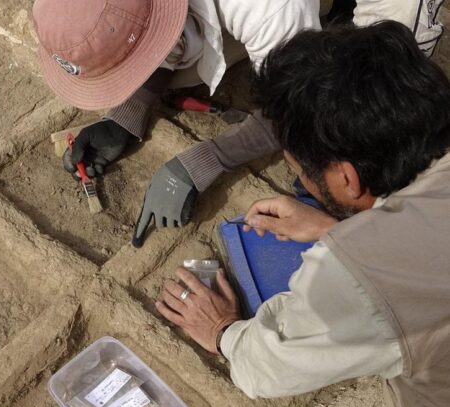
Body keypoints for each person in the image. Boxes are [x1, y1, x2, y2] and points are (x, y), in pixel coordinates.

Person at [156, 21, 450, 407]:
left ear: (347, 180)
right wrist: (340, 227)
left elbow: (269, 366)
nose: (302, 179)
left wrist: (222, 330)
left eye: (301, 171)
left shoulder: (356, 275)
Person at [32, 0, 444, 246]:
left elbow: (299, 102)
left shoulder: (267, 7)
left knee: (378, 96)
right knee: (190, 68)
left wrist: (209, 159)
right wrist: (128, 112)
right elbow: (153, 31)